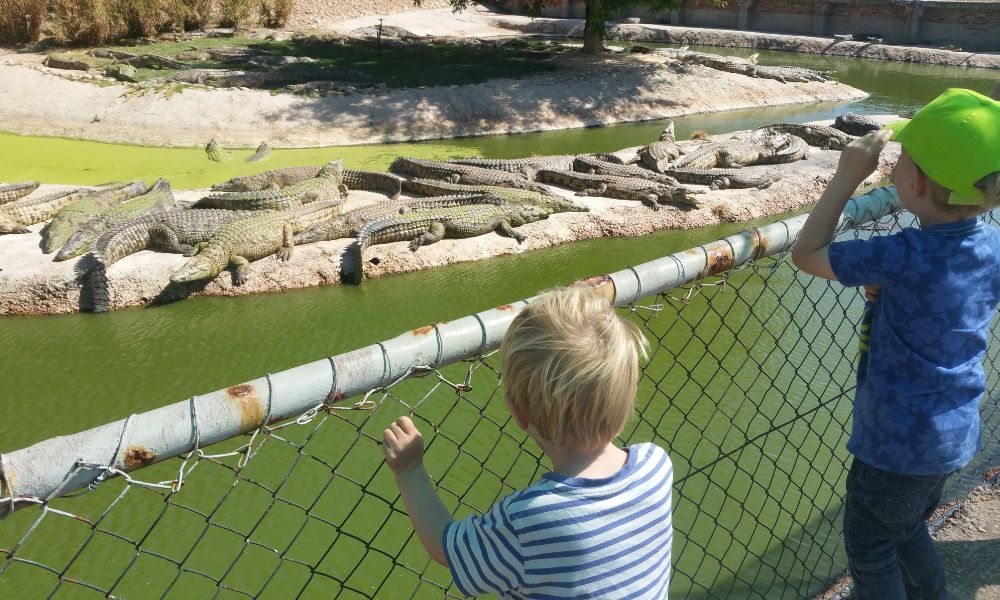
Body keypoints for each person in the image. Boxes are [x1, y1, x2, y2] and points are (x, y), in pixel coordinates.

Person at [791, 87, 1000, 598]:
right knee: (907, 529)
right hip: (954, 434)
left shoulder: (903, 254)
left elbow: (807, 253)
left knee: (869, 546)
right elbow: (948, 294)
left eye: (903, 157)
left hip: (893, 445)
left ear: (916, 182)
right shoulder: (991, 244)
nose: (897, 164)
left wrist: (846, 177)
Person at [382, 286, 674, 598]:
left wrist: (409, 471)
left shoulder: (529, 519)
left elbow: (447, 548)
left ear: (519, 413)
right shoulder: (656, 466)